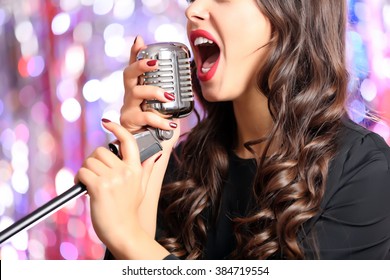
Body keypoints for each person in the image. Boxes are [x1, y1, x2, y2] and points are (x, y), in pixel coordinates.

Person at [75, 0, 390, 260]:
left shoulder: (364, 172)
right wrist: (147, 160)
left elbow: (136, 246)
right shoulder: (183, 167)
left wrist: (125, 235)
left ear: (291, 12)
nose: (192, 10)